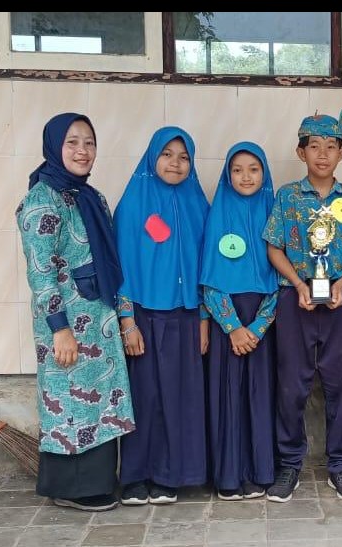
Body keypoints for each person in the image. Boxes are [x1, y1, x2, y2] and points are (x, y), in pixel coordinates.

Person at [16, 112, 135, 512]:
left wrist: (124, 316)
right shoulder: (41, 201)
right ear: (54, 146)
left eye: (89, 142)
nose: (83, 151)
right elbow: (41, 272)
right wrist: (59, 328)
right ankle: (70, 487)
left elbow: (113, 262)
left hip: (99, 319)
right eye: (72, 142)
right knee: (69, 400)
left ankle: (97, 482)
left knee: (99, 399)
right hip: (66, 323)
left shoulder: (92, 197)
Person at [262, 109, 342, 502]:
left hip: (339, 304)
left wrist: (341, 283)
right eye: (314, 146)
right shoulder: (287, 197)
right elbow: (274, 247)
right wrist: (297, 284)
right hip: (297, 301)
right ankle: (290, 464)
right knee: (292, 385)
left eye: (331, 147)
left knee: (340, 385)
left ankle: (339, 466)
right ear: (300, 152)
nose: (322, 154)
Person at [113, 126, 210, 506]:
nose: (175, 163)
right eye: (167, 154)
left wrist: (203, 320)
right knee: (145, 397)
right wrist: (127, 321)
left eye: (184, 157)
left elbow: (207, 268)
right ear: (152, 157)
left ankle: (171, 475)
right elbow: (120, 265)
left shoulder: (198, 204)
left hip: (186, 315)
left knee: (181, 397)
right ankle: (136, 477)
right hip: (144, 316)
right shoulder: (133, 204)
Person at [200, 142, 278, 501]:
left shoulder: (274, 213)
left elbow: (283, 274)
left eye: (253, 169)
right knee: (228, 396)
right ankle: (229, 477)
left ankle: (261, 472)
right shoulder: (217, 214)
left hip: (263, 322)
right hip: (226, 323)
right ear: (227, 175)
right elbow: (209, 278)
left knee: (260, 396)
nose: (246, 177)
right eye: (237, 169)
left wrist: (257, 328)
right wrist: (233, 327)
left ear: (265, 174)